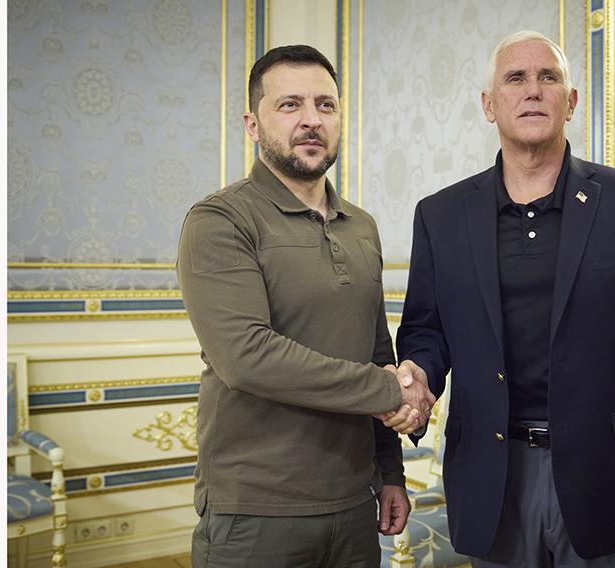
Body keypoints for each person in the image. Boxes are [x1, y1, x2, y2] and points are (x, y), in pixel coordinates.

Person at [394, 30, 615, 567]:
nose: (532, 90)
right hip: (493, 475)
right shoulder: (440, 216)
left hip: (610, 482)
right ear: (489, 105)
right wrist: (418, 373)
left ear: (571, 101)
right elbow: (427, 329)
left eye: (548, 77)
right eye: (516, 78)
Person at [177, 44, 435, 568]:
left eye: (326, 105)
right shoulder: (219, 220)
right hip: (255, 512)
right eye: (289, 105)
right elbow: (247, 356)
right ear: (253, 123)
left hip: (353, 504)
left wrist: (390, 473)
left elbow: (375, 347)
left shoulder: (361, 226)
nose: (311, 120)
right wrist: (391, 389)